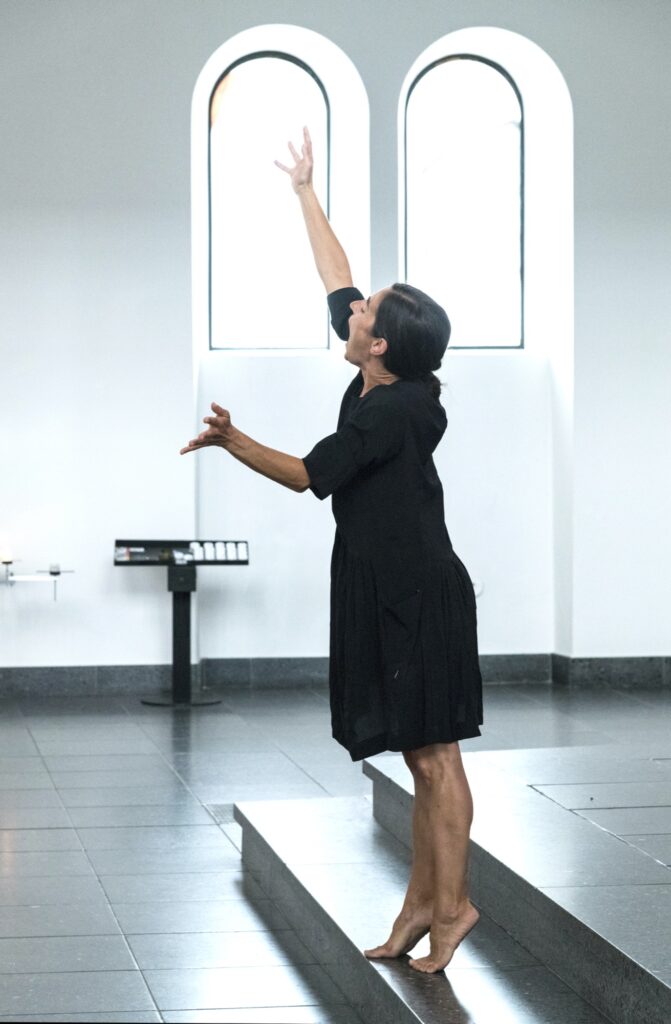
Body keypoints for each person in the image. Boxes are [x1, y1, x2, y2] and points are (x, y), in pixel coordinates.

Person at [180, 127, 483, 974]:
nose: (351, 311)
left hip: (415, 590)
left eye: (364, 314)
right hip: (386, 579)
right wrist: (304, 189)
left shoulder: (392, 411)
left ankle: (452, 906)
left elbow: (308, 475)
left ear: (378, 343)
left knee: (435, 754)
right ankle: (420, 903)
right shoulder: (383, 376)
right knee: (421, 754)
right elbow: (336, 274)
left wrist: (232, 440)